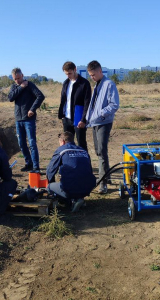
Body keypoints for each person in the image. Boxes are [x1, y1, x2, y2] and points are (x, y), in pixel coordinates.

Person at [85, 60, 119, 194]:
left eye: (93, 75)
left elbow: (114, 105)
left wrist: (100, 114)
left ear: (100, 71)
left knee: (102, 152)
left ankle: (103, 183)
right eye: (90, 75)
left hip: (104, 122)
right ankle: (107, 176)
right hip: (94, 122)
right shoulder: (97, 85)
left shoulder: (109, 84)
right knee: (99, 151)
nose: (92, 77)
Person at [46, 132, 96, 212]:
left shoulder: (61, 150)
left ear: (62, 142)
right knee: (77, 179)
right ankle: (79, 198)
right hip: (88, 186)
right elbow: (89, 170)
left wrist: (50, 183)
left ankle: (70, 201)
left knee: (49, 187)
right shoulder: (83, 150)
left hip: (71, 186)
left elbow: (50, 170)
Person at [8, 67, 45, 172]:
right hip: (18, 119)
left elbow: (40, 96)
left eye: (18, 78)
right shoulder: (14, 87)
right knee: (21, 143)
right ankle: (28, 163)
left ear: (22, 75)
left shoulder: (30, 85)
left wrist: (32, 109)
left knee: (32, 142)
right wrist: (21, 87)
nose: (17, 81)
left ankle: (36, 166)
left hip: (29, 119)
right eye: (15, 79)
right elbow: (10, 98)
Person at [58, 61, 92, 151]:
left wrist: (83, 119)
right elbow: (63, 100)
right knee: (67, 144)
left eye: (70, 73)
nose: (68, 76)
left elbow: (87, 103)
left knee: (81, 144)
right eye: (66, 74)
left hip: (79, 119)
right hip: (67, 119)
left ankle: (85, 164)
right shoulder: (66, 83)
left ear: (75, 70)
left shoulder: (84, 83)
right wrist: (61, 115)